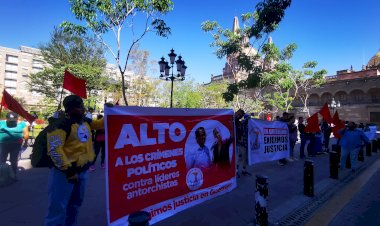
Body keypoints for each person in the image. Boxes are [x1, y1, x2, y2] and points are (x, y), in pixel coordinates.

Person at [44, 95, 105, 226]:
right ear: (70, 109)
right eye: (79, 107)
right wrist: (68, 170)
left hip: (82, 173)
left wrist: (111, 110)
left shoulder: (86, 122)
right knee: (58, 209)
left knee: (75, 206)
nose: (82, 109)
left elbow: (101, 124)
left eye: (82, 107)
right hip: (63, 175)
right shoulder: (59, 125)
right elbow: (55, 150)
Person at [0, 112, 29, 180]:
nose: (11, 122)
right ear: (6, 119)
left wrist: (26, 143)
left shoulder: (22, 124)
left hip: (16, 145)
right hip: (2, 145)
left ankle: (13, 175)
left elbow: (26, 134)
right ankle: (2, 175)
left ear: (17, 119)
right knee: (1, 160)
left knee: (13, 160)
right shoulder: (1, 123)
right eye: (9, 120)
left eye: (13, 120)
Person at [235, 109, 250, 177]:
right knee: (238, 157)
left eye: (241, 115)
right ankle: (236, 171)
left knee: (244, 158)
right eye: (246, 117)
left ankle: (244, 170)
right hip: (239, 143)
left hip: (246, 143)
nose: (239, 116)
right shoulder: (241, 123)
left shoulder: (248, 124)